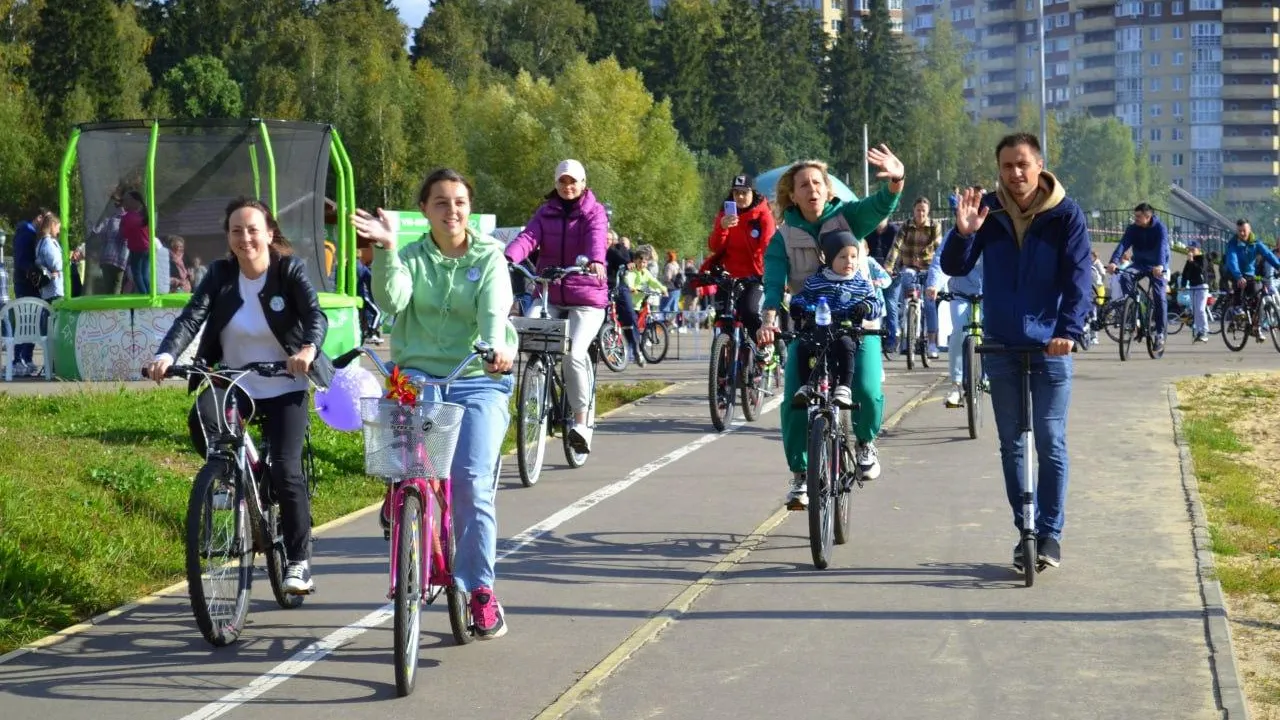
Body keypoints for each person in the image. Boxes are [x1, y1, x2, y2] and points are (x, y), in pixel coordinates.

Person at [353, 168, 517, 640]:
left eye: (460, 201)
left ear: (470, 207)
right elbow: (392, 298)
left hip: (477, 376)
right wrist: (384, 251)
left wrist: (496, 347)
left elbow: (493, 309)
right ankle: (401, 500)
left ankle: (481, 591)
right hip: (419, 377)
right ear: (424, 210)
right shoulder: (409, 255)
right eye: (441, 202)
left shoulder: (488, 256)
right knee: (403, 465)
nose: (452, 211)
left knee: (469, 481)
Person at [145, 197, 334, 594]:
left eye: (252, 229)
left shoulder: (289, 270)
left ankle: (299, 561)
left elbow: (316, 316)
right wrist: (166, 355)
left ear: (268, 233)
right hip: (235, 383)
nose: (244, 237)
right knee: (203, 419)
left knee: (285, 469)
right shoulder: (220, 274)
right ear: (228, 236)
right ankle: (229, 477)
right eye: (236, 230)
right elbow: (192, 316)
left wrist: (307, 351)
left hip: (285, 385)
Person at [940, 132, 1092, 571]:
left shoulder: (1065, 214)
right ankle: (1024, 528)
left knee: (1050, 440)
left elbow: (1079, 278)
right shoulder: (988, 210)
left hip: (1050, 346)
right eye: (1007, 166)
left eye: (1023, 164)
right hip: (1002, 344)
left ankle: (1050, 534)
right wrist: (963, 233)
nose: (1015, 173)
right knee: (1011, 444)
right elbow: (955, 266)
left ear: (1039, 165)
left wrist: (1068, 330)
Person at [756, 146, 906, 509]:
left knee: (867, 389)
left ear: (828, 189)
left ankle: (865, 443)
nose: (811, 190)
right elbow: (774, 284)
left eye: (817, 183)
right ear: (792, 194)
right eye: (803, 185)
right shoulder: (783, 237)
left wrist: (896, 181)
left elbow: (880, 206)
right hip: (811, 324)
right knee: (794, 397)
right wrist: (768, 320)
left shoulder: (848, 219)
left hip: (856, 320)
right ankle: (800, 477)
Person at [504, 159, 608, 452]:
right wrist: (508, 257)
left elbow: (596, 239)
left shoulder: (594, 212)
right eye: (562, 181)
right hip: (549, 292)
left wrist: (596, 261)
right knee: (524, 333)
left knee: (573, 354)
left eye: (573, 181)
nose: (567, 186)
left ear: (584, 183)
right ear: (556, 184)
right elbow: (529, 237)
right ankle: (536, 390)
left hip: (586, 297)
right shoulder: (545, 212)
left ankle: (581, 423)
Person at [790, 230, 882, 409]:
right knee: (803, 346)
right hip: (818, 328)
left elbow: (875, 303)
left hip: (845, 330)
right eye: (843, 257)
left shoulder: (861, 283)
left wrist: (865, 308)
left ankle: (844, 388)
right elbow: (803, 296)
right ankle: (806, 386)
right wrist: (798, 306)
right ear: (830, 258)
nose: (849, 262)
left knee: (845, 345)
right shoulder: (816, 281)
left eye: (854, 256)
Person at [707, 174, 776, 342]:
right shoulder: (725, 214)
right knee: (722, 318)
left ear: (753, 193)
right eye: (736, 193)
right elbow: (714, 247)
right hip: (729, 276)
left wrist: (770, 273)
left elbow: (768, 244)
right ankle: (723, 360)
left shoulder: (763, 214)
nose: (740, 197)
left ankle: (760, 350)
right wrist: (722, 227)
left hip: (755, 275)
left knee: (750, 312)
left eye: (744, 192)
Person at [930, 229, 983, 407]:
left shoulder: (996, 228)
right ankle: (956, 385)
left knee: (993, 333)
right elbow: (941, 259)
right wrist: (934, 284)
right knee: (959, 331)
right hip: (961, 293)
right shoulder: (958, 231)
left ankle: (989, 376)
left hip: (989, 294)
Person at [1108, 202, 1170, 353]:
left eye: (1138, 216)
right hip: (1140, 263)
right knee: (1124, 277)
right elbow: (1123, 244)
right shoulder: (1132, 229)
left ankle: (1160, 334)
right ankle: (1135, 306)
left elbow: (1162, 247)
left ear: (1148, 217)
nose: (1134, 218)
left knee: (1159, 296)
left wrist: (1161, 266)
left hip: (1158, 265)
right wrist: (1113, 262)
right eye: (1134, 216)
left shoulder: (1160, 228)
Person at [886, 197, 943, 358]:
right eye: (918, 210)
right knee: (907, 300)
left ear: (928, 212)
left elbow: (938, 246)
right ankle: (908, 338)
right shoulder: (906, 226)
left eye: (923, 210)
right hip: (909, 267)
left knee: (930, 305)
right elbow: (896, 246)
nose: (920, 213)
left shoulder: (934, 226)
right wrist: (889, 266)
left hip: (928, 268)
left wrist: (926, 257)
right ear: (913, 210)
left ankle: (932, 343)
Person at [11, 208, 50, 375]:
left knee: (32, 321)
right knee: (25, 320)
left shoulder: (32, 233)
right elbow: (21, 260)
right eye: (46, 219)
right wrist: (33, 271)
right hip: (25, 283)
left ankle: (26, 357)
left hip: (30, 283)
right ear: (39, 217)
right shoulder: (26, 232)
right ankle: (17, 359)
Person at [1223, 219, 1280, 324]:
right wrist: (1238, 276)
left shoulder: (1256, 242)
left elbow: (1268, 254)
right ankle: (1237, 308)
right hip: (1234, 272)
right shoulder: (1233, 244)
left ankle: (1255, 325)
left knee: (1256, 296)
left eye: (1244, 230)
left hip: (1250, 273)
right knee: (1239, 285)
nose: (1242, 233)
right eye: (1239, 231)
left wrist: (1278, 266)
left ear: (1249, 229)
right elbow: (1232, 260)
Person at [604, 231, 644, 363]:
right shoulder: (596, 249)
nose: (607, 241)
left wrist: (629, 263)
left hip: (617, 285)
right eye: (605, 239)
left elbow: (624, 259)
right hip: (600, 287)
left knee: (629, 314)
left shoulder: (615, 251)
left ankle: (636, 348)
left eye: (609, 239)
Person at [863, 217, 900, 358]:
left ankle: (892, 339)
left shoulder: (894, 231)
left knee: (891, 305)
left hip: (891, 274)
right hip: (873, 276)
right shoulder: (869, 232)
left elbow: (898, 251)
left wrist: (891, 268)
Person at [121, 190, 151, 294]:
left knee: (137, 273)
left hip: (137, 248)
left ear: (134, 202)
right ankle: (149, 294)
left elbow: (124, 234)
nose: (125, 203)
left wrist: (122, 225)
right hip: (147, 248)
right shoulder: (144, 215)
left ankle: (144, 295)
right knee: (144, 273)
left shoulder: (128, 216)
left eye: (127, 201)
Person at [1182, 243, 1210, 343]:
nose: (1190, 252)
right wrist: (1183, 285)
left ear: (1198, 249)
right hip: (1193, 287)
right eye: (1189, 250)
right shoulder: (1189, 261)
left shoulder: (1202, 258)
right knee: (1194, 310)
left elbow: (1200, 270)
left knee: (1200, 309)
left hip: (1202, 287)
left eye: (1192, 250)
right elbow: (1185, 273)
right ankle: (1199, 331)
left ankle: (1205, 331)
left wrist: (1192, 261)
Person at [661, 250, 683, 316]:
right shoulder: (677, 265)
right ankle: (673, 322)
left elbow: (667, 278)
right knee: (674, 306)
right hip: (677, 288)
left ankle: (665, 323)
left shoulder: (669, 266)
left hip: (670, 288)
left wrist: (662, 280)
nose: (665, 257)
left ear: (669, 257)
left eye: (666, 256)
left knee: (665, 306)